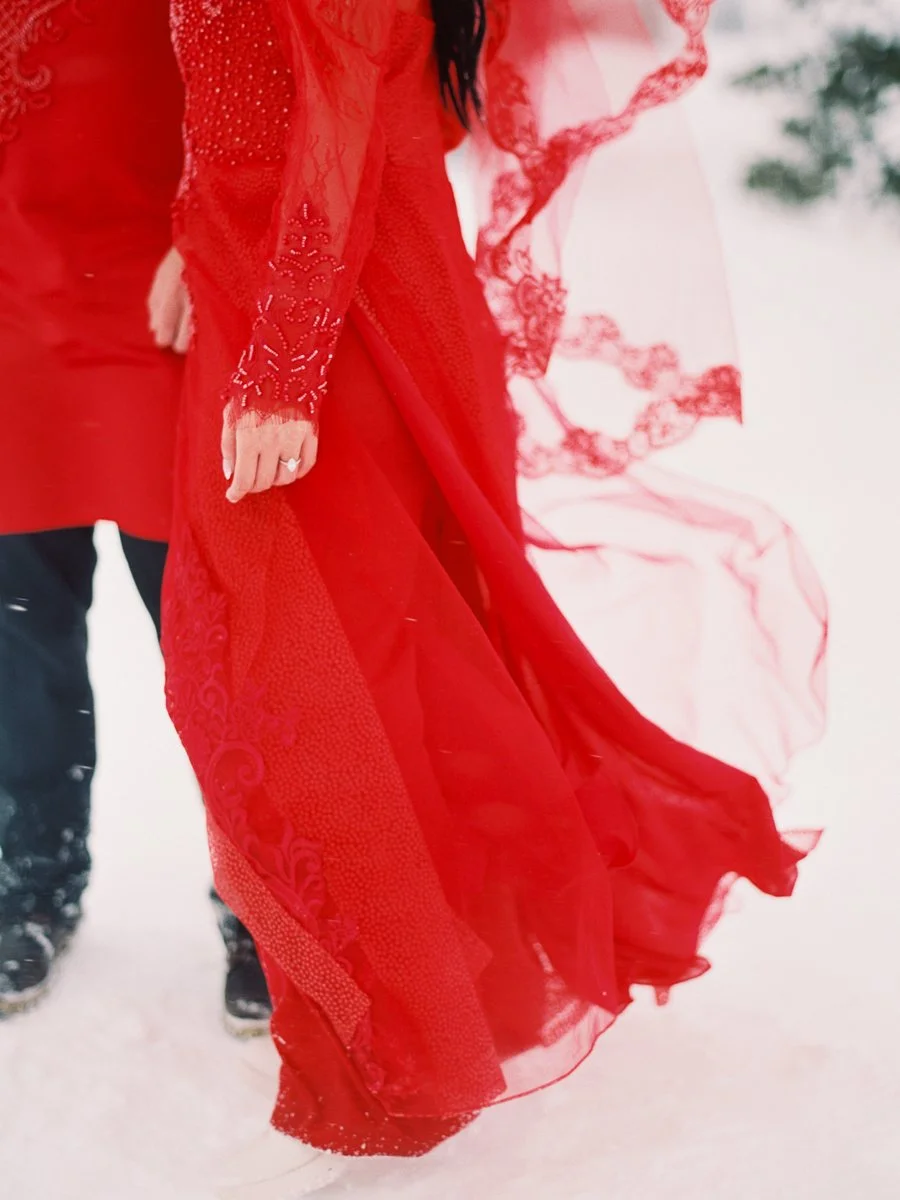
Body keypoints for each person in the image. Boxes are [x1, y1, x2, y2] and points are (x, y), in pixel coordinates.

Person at [163, 0, 822, 1193]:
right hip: (288, 294)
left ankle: (402, 1044)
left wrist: (281, 372)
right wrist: (191, 241)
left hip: (334, 327)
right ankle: (424, 1002)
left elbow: (347, 128)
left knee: (306, 683)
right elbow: (273, 97)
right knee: (354, 675)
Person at [0, 0, 271, 1035]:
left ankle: (261, 901)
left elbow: (273, 80)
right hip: (9, 299)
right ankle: (33, 881)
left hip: (165, 291)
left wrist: (218, 234)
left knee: (211, 632)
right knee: (15, 631)